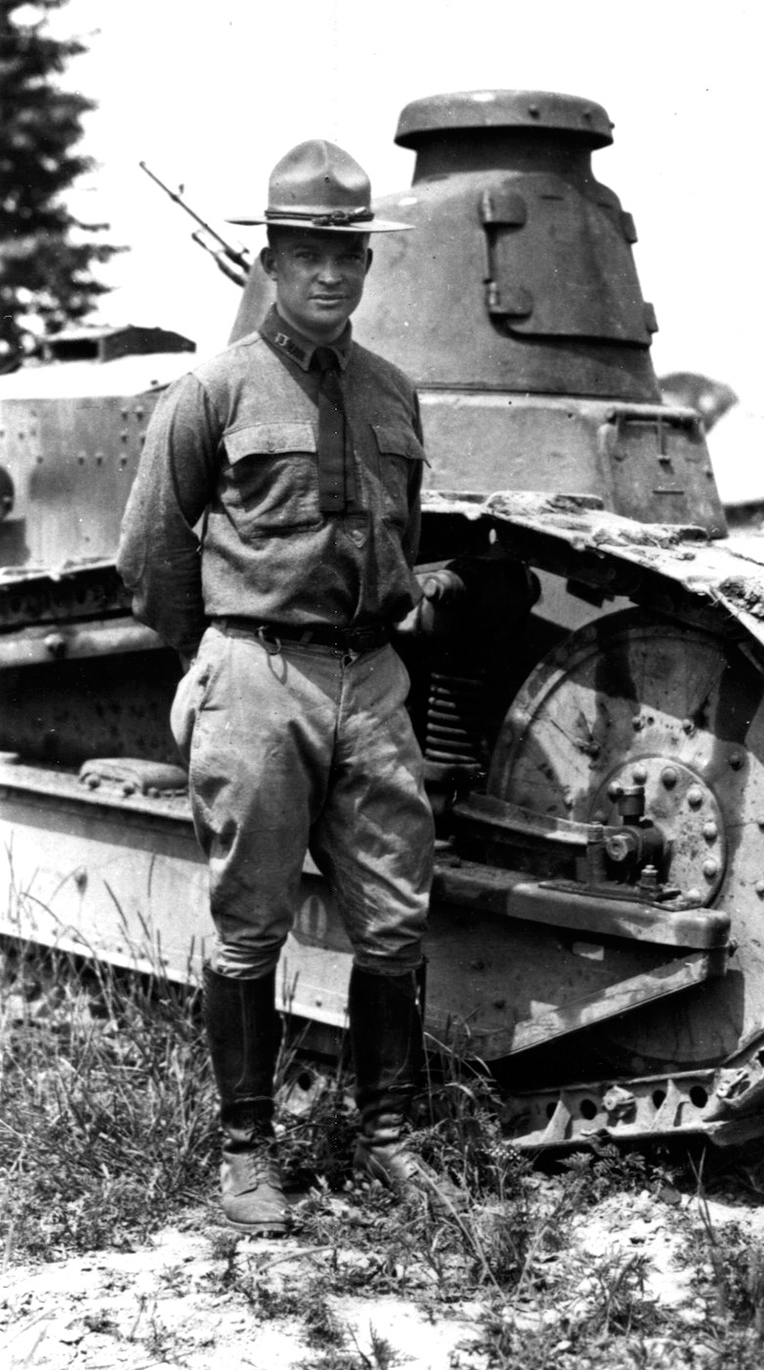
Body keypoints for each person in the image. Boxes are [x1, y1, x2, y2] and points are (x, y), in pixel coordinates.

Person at [117, 139, 449, 1234]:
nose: (329, 275)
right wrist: (213, 665)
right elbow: (152, 555)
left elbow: (403, 542)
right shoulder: (209, 391)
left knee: (395, 918)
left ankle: (389, 1133)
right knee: (249, 923)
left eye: (348, 256)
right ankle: (247, 1150)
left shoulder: (393, 393)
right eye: (308, 253)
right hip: (258, 672)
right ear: (271, 257)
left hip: (371, 678)